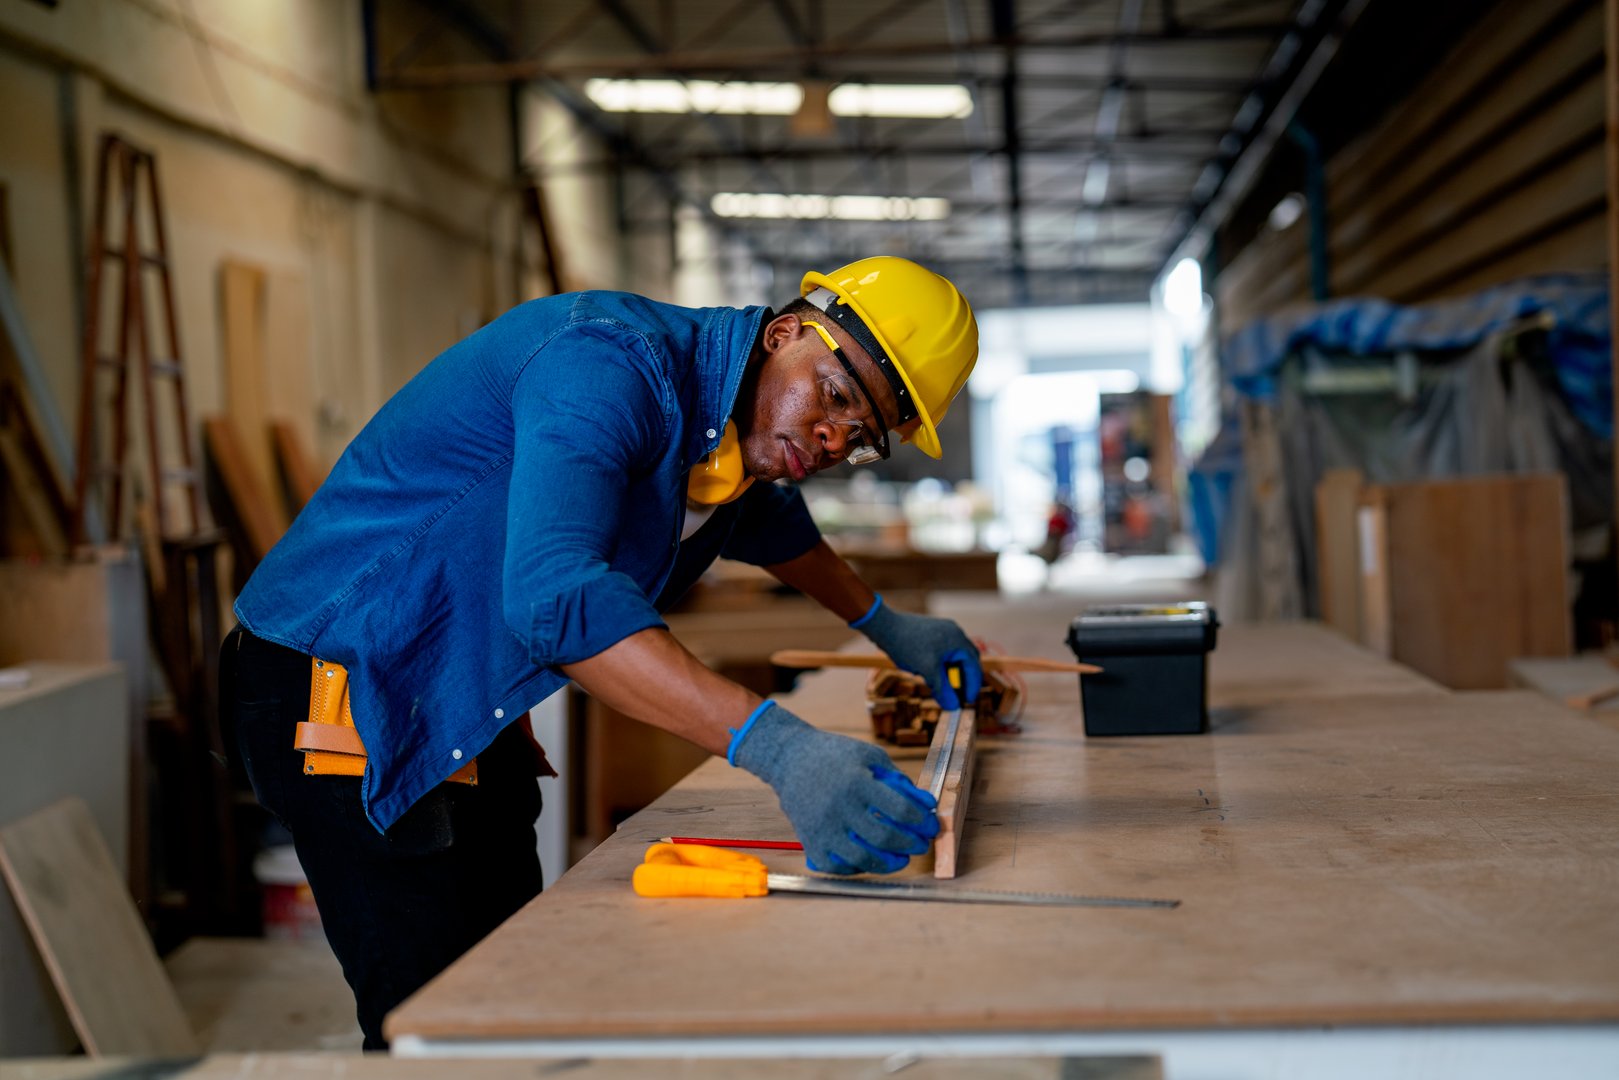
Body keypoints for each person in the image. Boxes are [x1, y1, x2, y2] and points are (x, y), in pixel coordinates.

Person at [222, 255, 983, 1048]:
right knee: (435, 1025)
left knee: (517, 982)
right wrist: (779, 748)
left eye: (858, 438)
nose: (829, 437)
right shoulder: (606, 363)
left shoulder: (732, 427)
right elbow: (557, 599)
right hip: (343, 677)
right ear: (787, 331)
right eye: (833, 396)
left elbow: (771, 523)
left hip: (450, 682)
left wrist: (886, 625)